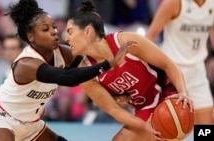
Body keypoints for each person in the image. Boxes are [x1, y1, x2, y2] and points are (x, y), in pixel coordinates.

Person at [0, 0, 131, 141]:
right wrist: (108, 64)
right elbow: (68, 78)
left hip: (31, 123)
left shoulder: (64, 53)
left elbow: (90, 73)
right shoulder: (26, 63)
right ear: (31, 36)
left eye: (54, 27)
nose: (54, 32)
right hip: (1, 117)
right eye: (45, 29)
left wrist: (115, 92)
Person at [65, 0, 194, 140]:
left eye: (70, 32)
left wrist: (183, 92)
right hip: (143, 106)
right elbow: (113, 110)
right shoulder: (85, 72)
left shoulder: (126, 41)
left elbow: (169, 65)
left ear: (88, 32)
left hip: (166, 94)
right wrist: (144, 125)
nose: (67, 39)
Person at [146, 0, 214, 125]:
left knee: (206, 128)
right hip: (171, 71)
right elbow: (150, 37)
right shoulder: (174, 3)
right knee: (167, 128)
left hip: (197, 71)